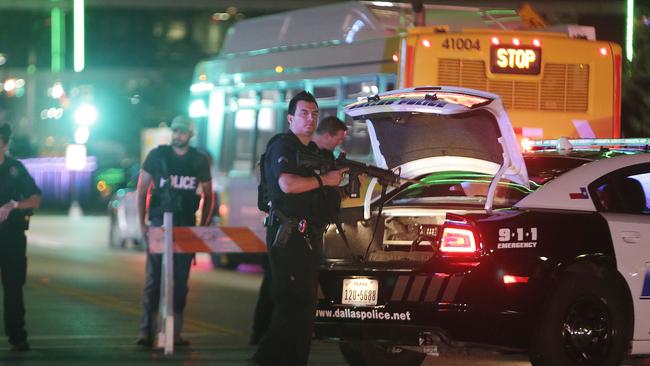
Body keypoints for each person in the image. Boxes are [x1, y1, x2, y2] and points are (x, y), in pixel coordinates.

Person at [251, 91, 347, 366]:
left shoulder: (312, 152)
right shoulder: (283, 146)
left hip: (307, 236)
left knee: (303, 310)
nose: (310, 118)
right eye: (304, 113)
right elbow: (287, 185)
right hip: (288, 235)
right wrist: (324, 180)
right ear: (291, 117)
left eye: (315, 114)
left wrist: (336, 182)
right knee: (291, 307)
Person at [135, 115, 214, 347]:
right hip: (159, 224)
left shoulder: (199, 160)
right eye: (175, 130)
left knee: (180, 283)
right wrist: (143, 225)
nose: (178, 134)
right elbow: (142, 191)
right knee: (153, 281)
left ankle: (175, 333)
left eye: (182, 131)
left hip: (186, 226)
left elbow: (208, 196)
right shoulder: (157, 156)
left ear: (191, 134)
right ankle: (146, 332)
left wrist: (202, 227)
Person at [0, 123, 41, 352]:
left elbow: (35, 198)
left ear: (4, 143)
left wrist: (16, 205)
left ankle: (17, 336)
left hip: (12, 238)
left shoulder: (15, 168)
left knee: (14, 289)